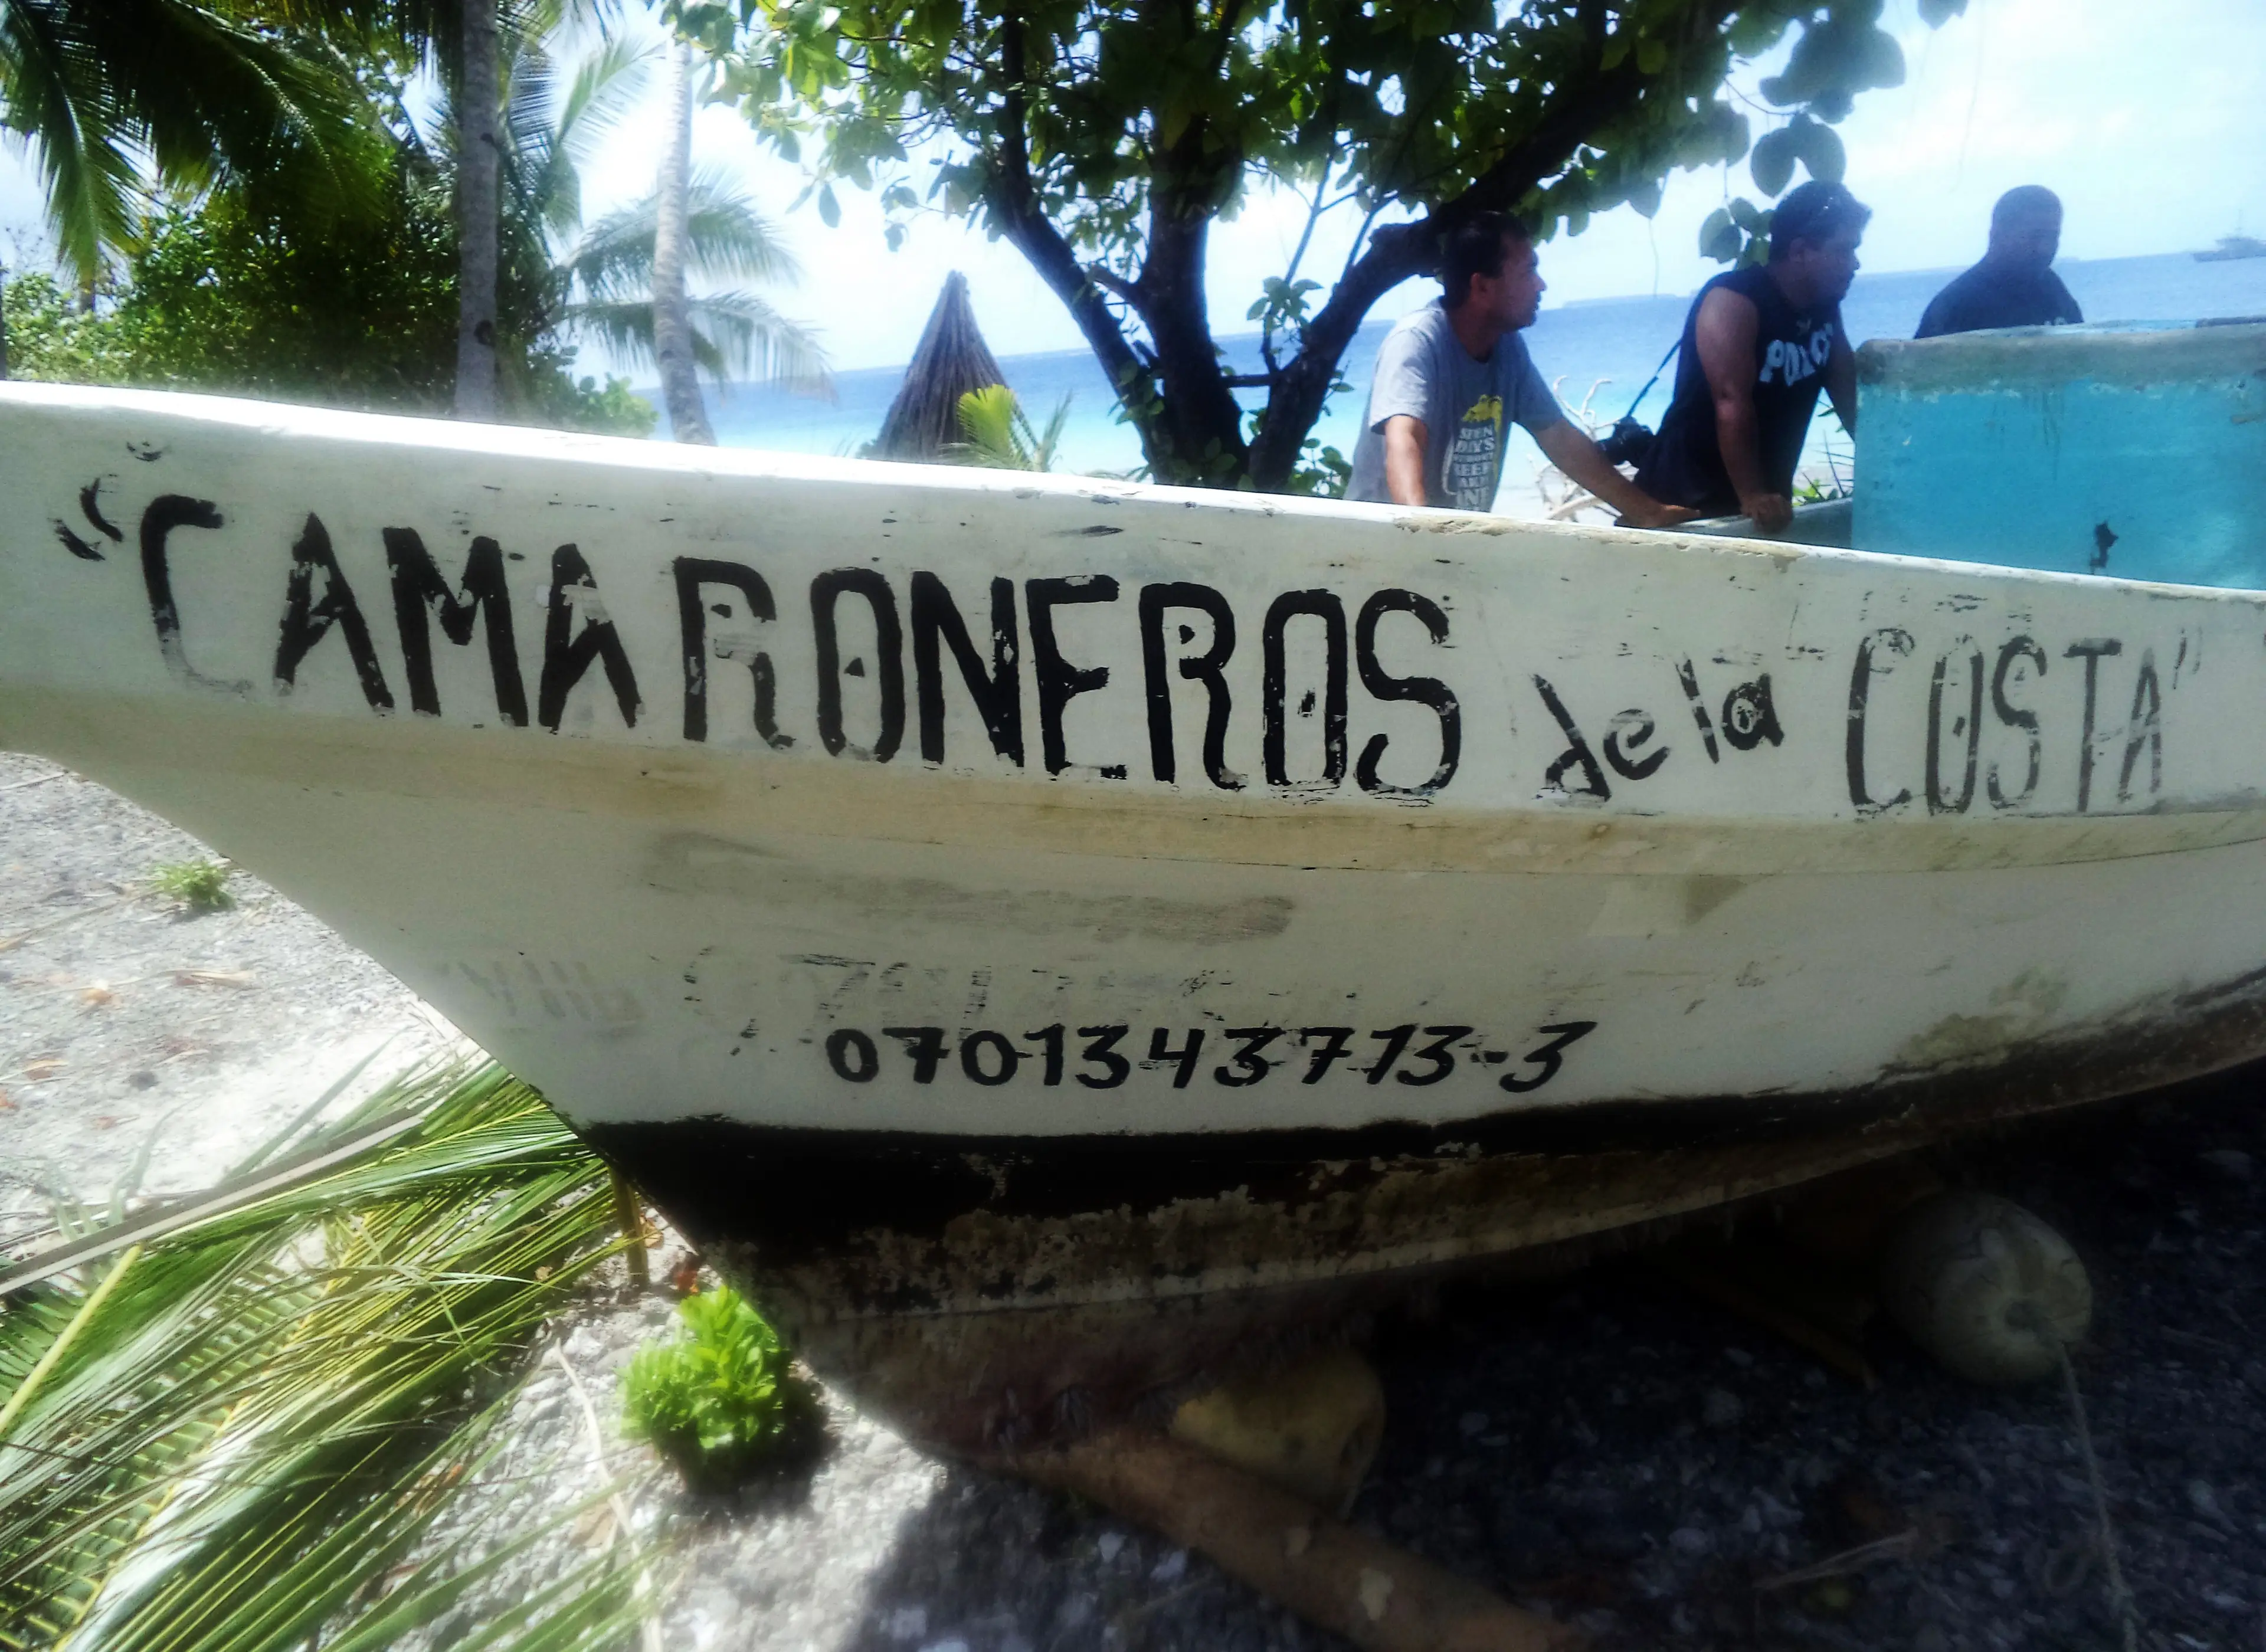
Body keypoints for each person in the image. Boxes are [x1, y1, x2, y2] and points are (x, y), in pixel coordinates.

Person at [1345, 212, 1695, 527]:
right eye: (1528, 271)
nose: (1541, 285)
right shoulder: (1416, 341)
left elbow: (1559, 437)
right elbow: (1405, 437)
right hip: (1381, 545)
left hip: (1449, 546)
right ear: (1482, 286)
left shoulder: (1506, 347)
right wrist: (1420, 531)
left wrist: (1647, 512)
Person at [1632, 179, 1867, 533]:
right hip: (1684, 504)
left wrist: (1890, 467)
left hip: (1766, 507)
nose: (1855, 263)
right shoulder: (1734, 299)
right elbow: (1731, 403)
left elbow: (1850, 399)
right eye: (1844, 250)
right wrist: (1753, 494)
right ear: (1800, 251)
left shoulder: (1825, 310)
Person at [1914, 186, 2083, 339]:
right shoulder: (1957, 306)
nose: (2045, 248)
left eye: (2052, 237)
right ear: (1998, 234)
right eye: (2035, 237)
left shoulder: (2052, 288)